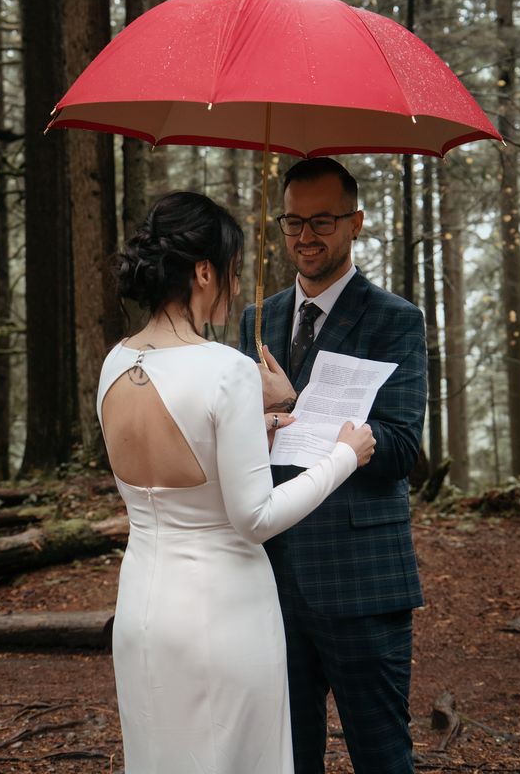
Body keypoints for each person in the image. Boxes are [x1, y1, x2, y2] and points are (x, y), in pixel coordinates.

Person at [96, 190, 376, 774]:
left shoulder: (115, 363)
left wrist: (257, 427)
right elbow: (255, 519)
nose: (232, 281)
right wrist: (344, 456)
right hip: (224, 613)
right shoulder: (226, 368)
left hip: (143, 609)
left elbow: (175, 468)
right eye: (229, 268)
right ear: (203, 270)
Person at [239, 157, 427, 774]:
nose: (305, 237)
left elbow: (400, 447)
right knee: (287, 758)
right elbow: (237, 443)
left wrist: (294, 410)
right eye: (292, 221)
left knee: (382, 757)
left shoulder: (394, 320)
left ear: (357, 222)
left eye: (322, 220)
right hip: (267, 577)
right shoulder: (256, 319)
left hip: (361, 581)